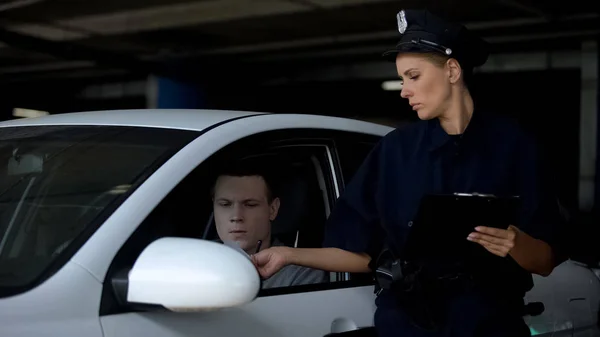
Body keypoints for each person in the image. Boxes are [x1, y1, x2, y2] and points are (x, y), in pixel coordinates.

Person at [251, 9, 567, 337]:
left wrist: (516, 243)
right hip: (407, 326)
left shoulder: (515, 146)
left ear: (452, 70)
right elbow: (364, 256)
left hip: (489, 326)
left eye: (413, 76)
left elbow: (544, 260)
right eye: (402, 79)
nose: (404, 90)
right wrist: (287, 255)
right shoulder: (395, 153)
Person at [211, 160, 328, 289]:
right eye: (225, 204)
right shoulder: (197, 262)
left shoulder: (301, 274)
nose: (236, 217)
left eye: (250, 205)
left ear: (273, 209)